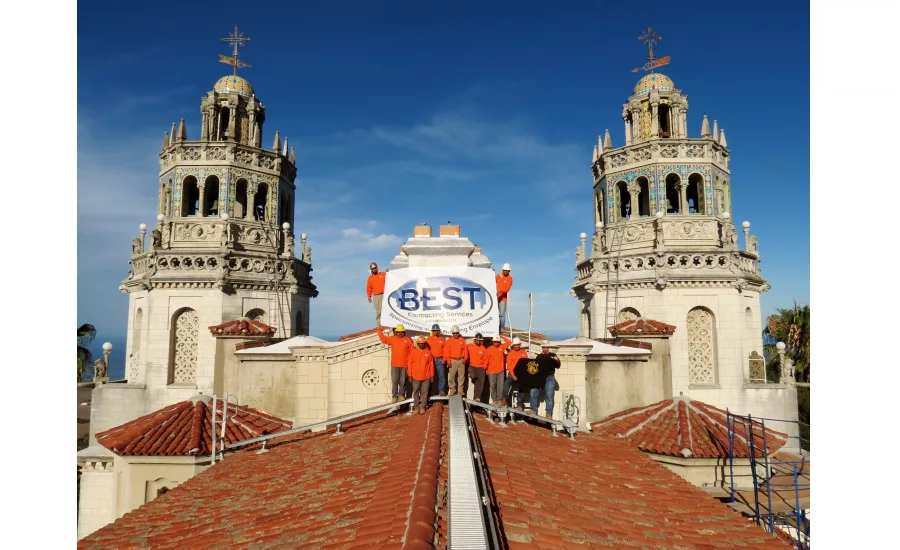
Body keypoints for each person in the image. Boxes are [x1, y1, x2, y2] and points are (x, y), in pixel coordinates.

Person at [377, 324, 413, 403]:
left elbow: (412, 353)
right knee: (395, 381)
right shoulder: (392, 339)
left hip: (405, 365)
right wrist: (379, 330)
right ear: (396, 332)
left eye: (401, 332)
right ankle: (394, 396)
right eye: (398, 332)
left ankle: (401, 395)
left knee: (403, 382)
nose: (400, 333)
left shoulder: (408, 340)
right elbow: (383, 339)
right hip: (395, 365)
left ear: (404, 332)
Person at [408, 336, 435, 414]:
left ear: (425, 344)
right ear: (417, 344)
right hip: (415, 376)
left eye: (423, 343)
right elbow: (410, 364)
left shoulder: (428, 352)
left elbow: (431, 365)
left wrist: (432, 375)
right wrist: (409, 375)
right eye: (420, 343)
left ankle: (422, 406)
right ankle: (416, 407)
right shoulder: (413, 352)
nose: (421, 345)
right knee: (416, 391)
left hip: (426, 376)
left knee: (424, 392)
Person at [535, 341, 561, 418]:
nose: (545, 349)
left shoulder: (552, 355)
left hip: (550, 378)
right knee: (534, 393)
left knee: (549, 396)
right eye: (544, 347)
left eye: (546, 347)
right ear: (542, 348)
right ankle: (533, 410)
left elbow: (558, 366)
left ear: (548, 348)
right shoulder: (539, 357)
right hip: (540, 377)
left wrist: (557, 360)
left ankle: (548, 414)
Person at [502, 338, 528, 408]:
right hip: (512, 373)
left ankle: (519, 405)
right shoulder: (510, 353)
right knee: (506, 384)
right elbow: (509, 365)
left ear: (520, 345)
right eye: (515, 345)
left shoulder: (523, 352)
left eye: (518, 345)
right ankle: (504, 399)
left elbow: (526, 363)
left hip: (521, 374)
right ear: (513, 346)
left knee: (521, 387)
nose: (516, 346)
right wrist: (513, 375)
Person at [443, 325, 469, 396]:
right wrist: (448, 361)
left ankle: (460, 391)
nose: (455, 334)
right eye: (454, 333)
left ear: (458, 333)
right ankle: (452, 391)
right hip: (452, 360)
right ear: (452, 333)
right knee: (452, 376)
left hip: (461, 360)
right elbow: (446, 352)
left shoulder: (462, 340)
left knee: (461, 376)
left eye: (457, 333)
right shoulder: (449, 341)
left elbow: (466, 350)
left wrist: (465, 358)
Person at [426, 324, 448, 396]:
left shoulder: (442, 339)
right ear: (432, 331)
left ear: (439, 331)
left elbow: (446, 351)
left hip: (439, 360)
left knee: (441, 376)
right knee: (430, 376)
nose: (436, 332)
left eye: (437, 330)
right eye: (434, 330)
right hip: (431, 360)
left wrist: (444, 359)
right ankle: (430, 392)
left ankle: (441, 391)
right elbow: (425, 350)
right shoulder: (428, 339)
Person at [466, 333, 488, 402]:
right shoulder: (469, 346)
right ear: (475, 340)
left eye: (480, 340)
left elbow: (485, 359)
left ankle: (476, 396)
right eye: (477, 340)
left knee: (481, 382)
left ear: (481, 341)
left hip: (481, 367)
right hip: (471, 366)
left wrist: (485, 367)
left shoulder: (484, 349)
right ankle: (474, 381)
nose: (478, 341)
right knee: (474, 378)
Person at [485, 337, 506, 405]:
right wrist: (486, 368)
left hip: (500, 370)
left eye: (498, 342)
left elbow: (508, 342)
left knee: (500, 386)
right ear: (492, 342)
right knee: (492, 385)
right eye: (495, 342)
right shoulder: (489, 349)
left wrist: (501, 336)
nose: (496, 343)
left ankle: (499, 400)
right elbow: (486, 359)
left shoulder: (502, 347)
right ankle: (494, 400)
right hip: (491, 371)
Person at [496, 264, 513, 330]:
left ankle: (502, 327)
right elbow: (492, 281)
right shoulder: (498, 276)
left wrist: (499, 291)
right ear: (503, 270)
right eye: (505, 270)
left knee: (502, 314)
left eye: (507, 270)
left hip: (503, 299)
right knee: (495, 313)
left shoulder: (510, 279)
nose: (506, 271)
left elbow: (507, 289)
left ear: (509, 271)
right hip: (495, 297)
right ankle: (496, 326)